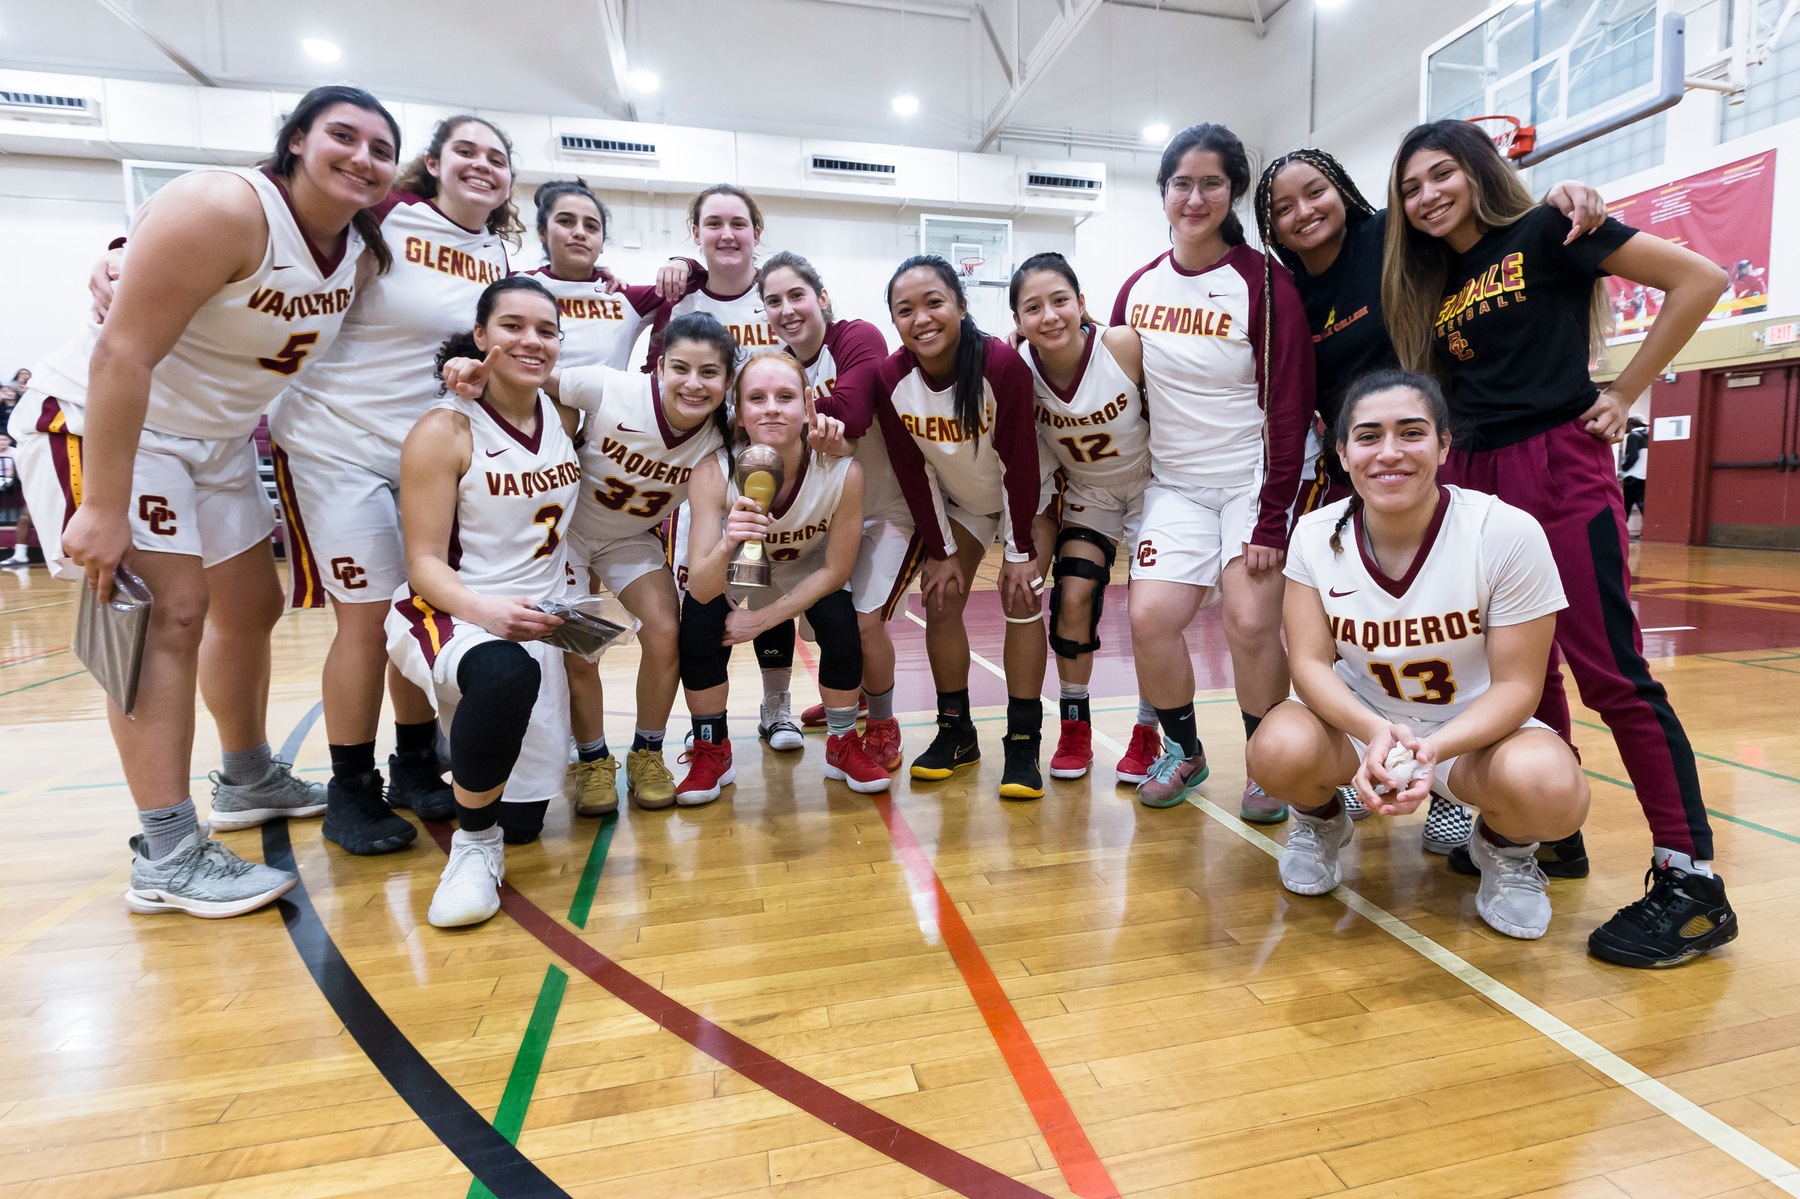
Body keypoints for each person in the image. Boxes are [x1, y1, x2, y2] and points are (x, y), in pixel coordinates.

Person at [5, 85, 400, 916]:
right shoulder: (227, 204)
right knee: (167, 615)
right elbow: (120, 351)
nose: (362, 156)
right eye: (343, 135)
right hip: (108, 421)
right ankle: (167, 848)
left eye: (379, 147)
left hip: (214, 440)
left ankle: (248, 773)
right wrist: (105, 505)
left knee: (250, 604)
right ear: (294, 140)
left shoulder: (360, 247)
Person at [1384, 118, 1739, 968]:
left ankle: (1691, 883)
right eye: (1410, 187)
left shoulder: (1551, 227)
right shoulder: (1430, 279)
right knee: (1522, 672)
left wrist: (1626, 389)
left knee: (1611, 671)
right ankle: (1549, 829)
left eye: (1441, 175)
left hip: (1558, 463)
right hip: (1476, 475)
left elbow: (1700, 277)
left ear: (1477, 171)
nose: (1427, 195)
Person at [1253, 146, 1606, 850]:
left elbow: (1473, 225)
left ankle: (1480, 802)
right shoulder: (1283, 288)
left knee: (1483, 621)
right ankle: (1345, 785)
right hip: (1366, 465)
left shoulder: (1392, 234)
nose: (1302, 212)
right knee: (1310, 699)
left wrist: (1548, 204)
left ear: (1344, 189)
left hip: (1443, 445)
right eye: (1281, 207)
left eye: (1315, 191)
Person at [1250, 370, 1588, 939]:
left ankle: (1504, 851)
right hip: (1363, 725)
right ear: (1341, 450)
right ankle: (1321, 822)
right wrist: (1375, 733)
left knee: (1553, 791)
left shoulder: (1504, 532)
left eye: (1411, 433)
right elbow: (1307, 663)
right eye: (1367, 436)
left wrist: (1431, 749)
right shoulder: (1313, 533)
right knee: (1276, 749)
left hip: (1471, 735)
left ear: (1444, 444)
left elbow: (1518, 687)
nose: (1389, 453)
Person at [268, 113, 520, 854]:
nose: (481, 165)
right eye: (465, 151)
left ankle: (414, 762)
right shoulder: (382, 217)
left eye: (496, 158)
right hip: (335, 442)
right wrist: (123, 250)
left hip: (421, 457)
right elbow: (274, 217)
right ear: (433, 163)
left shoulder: (499, 251)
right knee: (365, 619)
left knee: (417, 608)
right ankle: (350, 789)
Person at [446, 311, 737, 812]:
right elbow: (534, 377)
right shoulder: (609, 388)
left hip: (628, 537)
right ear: (659, 368)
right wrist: (471, 367)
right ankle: (594, 758)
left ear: (727, 381)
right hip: (566, 536)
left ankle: (647, 752)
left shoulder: (723, 435)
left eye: (709, 373)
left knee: (666, 632)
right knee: (581, 649)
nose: (693, 384)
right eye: (680, 368)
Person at [1112, 123, 1315, 816]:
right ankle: (1185, 750)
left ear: (1233, 191)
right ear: (1163, 191)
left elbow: (1290, 409)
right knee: (1149, 616)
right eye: (1181, 183)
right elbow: (1115, 399)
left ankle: (1265, 761)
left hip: (1251, 484)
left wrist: (1272, 514)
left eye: (1211, 183)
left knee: (1253, 621)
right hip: (1173, 485)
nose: (1194, 197)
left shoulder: (1264, 282)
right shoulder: (1137, 288)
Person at [386, 277, 580, 926]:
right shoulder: (443, 430)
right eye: (512, 326)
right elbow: (423, 564)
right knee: (504, 673)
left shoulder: (564, 410)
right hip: (450, 607)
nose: (531, 340)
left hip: (536, 616)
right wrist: (486, 613)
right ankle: (473, 846)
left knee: (526, 820)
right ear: (479, 335)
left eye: (546, 330)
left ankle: (463, 749)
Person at [867, 255, 1047, 798]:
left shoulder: (1000, 367)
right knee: (941, 598)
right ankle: (957, 732)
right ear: (894, 322)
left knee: (1021, 598)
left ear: (962, 307)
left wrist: (1018, 555)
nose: (921, 318)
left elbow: (1020, 463)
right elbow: (912, 471)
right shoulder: (891, 378)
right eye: (905, 309)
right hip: (966, 503)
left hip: (1030, 500)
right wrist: (942, 552)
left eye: (934, 302)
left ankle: (1022, 742)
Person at [674, 352, 888, 802]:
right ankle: (713, 748)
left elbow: (836, 570)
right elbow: (701, 586)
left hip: (807, 570)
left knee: (840, 621)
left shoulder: (844, 471)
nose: (771, 407)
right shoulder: (714, 472)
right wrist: (730, 539)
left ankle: (842, 742)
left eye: (785, 396)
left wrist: (764, 619)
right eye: (757, 397)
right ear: (738, 410)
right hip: (741, 567)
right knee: (697, 623)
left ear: (808, 405)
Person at [649, 186, 800, 752]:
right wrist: (679, 268)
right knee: (708, 599)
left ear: (757, 232)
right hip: (705, 473)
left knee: (765, 586)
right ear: (697, 234)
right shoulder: (679, 302)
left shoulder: (780, 299)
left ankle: (776, 705)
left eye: (739, 222)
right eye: (714, 223)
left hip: (776, 469)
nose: (728, 233)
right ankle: (707, 728)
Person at [754, 251, 914, 775]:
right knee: (824, 627)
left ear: (822, 298)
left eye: (797, 295)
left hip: (888, 506)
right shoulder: (781, 364)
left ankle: (884, 722)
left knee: (866, 622)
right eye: (773, 301)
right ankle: (859, 695)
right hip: (830, 512)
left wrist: (775, 420)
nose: (787, 309)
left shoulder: (856, 336)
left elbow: (852, 416)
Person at [1007, 253, 1152, 783]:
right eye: (1033, 307)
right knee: (1072, 596)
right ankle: (1075, 726)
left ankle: (1148, 729)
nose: (1049, 315)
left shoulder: (1120, 345)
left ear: (1082, 303)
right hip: (1089, 491)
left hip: (1152, 484)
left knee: (1149, 611)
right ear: (1019, 322)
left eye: (1059, 300)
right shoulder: (1018, 370)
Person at [522, 179, 665, 371]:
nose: (580, 233)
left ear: (602, 242)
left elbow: (698, 286)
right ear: (542, 233)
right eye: (566, 221)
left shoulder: (624, 297)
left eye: (591, 226)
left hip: (605, 402)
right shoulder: (515, 287)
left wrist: (682, 263)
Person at [1620, 415, 1648, 533]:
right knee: (1643, 504)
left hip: (1632, 476)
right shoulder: (1648, 435)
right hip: (1644, 476)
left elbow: (1633, 456)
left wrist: (1624, 468)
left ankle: (1620, 531)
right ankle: (1646, 530)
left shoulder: (1634, 435)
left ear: (1631, 423)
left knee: (1626, 506)